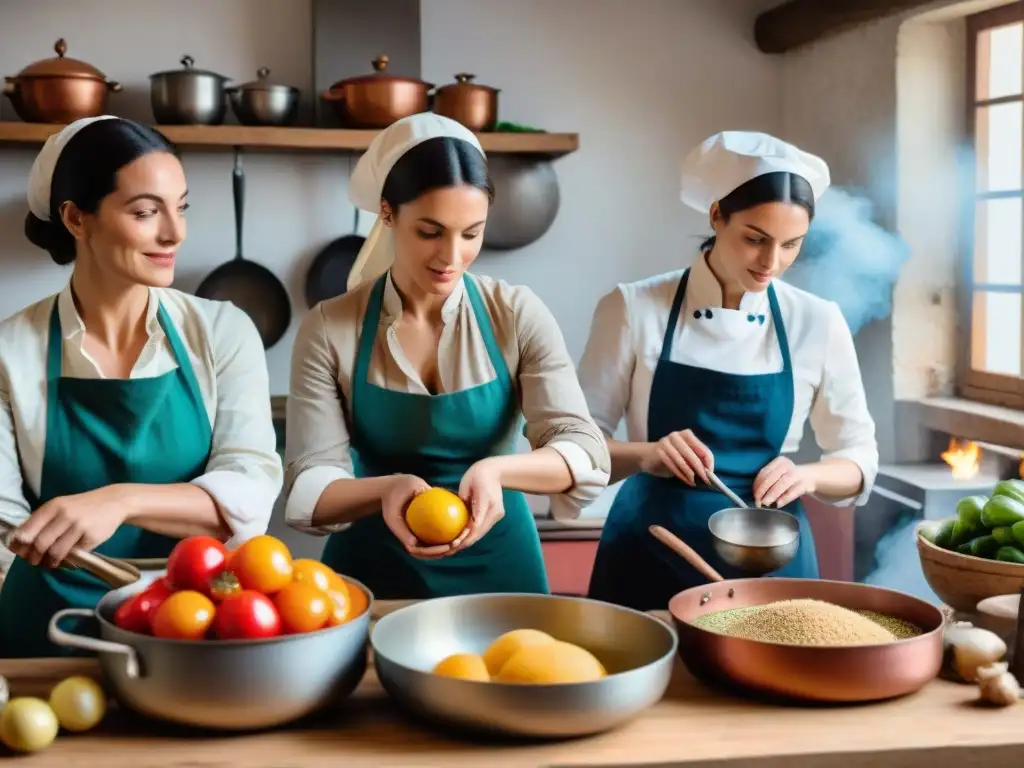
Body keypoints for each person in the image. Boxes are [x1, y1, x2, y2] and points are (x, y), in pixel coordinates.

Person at [284, 113, 610, 599]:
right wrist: (387, 490)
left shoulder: (515, 314)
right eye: (430, 232)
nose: (451, 257)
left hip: (503, 571)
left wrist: (497, 470)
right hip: (374, 574)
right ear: (389, 214)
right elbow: (310, 491)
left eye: (471, 233)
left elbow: (584, 453)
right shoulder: (332, 327)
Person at [0, 117, 282, 656]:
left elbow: (250, 490)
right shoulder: (11, 352)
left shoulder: (222, 331)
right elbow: (5, 531)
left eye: (182, 207)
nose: (175, 233)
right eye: (147, 212)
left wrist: (119, 501)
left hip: (193, 623)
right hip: (47, 631)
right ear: (76, 219)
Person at [578, 131, 879, 611]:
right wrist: (647, 454)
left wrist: (808, 477)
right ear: (717, 215)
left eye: (791, 245)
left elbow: (858, 457)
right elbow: (574, 448)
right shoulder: (634, 307)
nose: (771, 262)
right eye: (755, 239)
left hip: (771, 559)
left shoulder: (817, 321)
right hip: (652, 546)